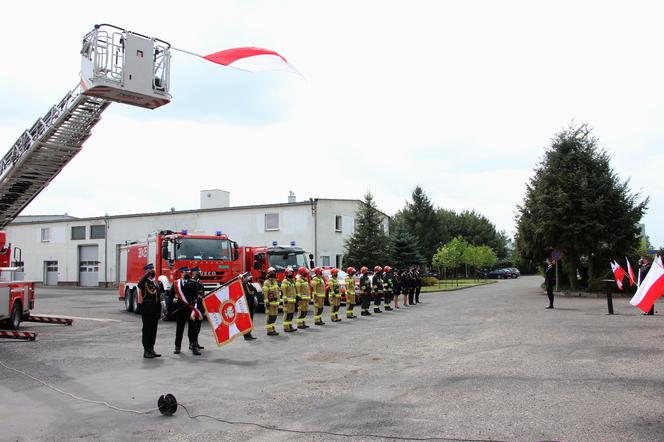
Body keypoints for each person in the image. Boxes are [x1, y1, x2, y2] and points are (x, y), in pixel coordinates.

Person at [173, 266, 204, 355]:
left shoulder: (193, 283)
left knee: (193, 329)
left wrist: (198, 297)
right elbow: (172, 297)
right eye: (185, 272)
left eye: (188, 272)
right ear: (181, 273)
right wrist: (170, 310)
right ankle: (177, 347)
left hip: (190, 310)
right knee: (179, 329)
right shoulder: (176, 284)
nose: (187, 273)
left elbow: (196, 294)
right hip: (180, 310)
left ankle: (194, 347)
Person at [138, 263, 163, 359]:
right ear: (147, 271)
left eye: (153, 269)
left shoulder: (154, 282)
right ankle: (146, 350)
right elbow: (139, 285)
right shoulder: (144, 282)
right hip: (148, 309)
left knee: (153, 331)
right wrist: (146, 275)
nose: (153, 271)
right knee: (147, 331)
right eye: (151, 270)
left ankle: (152, 348)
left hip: (155, 309)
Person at [189, 267, 205, 351]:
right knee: (193, 327)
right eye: (198, 272)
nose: (200, 273)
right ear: (194, 273)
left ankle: (196, 342)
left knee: (198, 327)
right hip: (194, 307)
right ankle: (192, 343)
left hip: (200, 307)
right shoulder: (191, 282)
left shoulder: (200, 282)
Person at [262, 267, 280, 336]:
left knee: (274, 317)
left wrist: (278, 301)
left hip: (275, 303)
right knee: (270, 317)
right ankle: (269, 331)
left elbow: (277, 292)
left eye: (274, 273)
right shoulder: (266, 282)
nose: (273, 274)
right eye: (272, 273)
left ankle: (273, 329)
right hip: (270, 303)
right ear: (269, 274)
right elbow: (265, 293)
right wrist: (266, 302)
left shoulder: (275, 282)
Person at [281, 267, 298, 332]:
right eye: (289, 272)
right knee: (287, 314)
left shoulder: (292, 281)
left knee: (291, 314)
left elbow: (294, 290)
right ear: (286, 273)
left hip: (292, 301)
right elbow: (284, 292)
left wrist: (297, 297)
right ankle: (286, 327)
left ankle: (290, 326)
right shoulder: (284, 281)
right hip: (287, 301)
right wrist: (285, 300)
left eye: (292, 272)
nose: (291, 274)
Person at [241, 273, 257, 340]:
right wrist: (244, 282)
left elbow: (255, 291)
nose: (249, 278)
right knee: (246, 321)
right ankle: (246, 335)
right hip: (246, 305)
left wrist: (254, 292)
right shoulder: (242, 285)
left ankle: (249, 333)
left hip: (251, 305)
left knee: (250, 320)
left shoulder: (250, 284)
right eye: (247, 278)